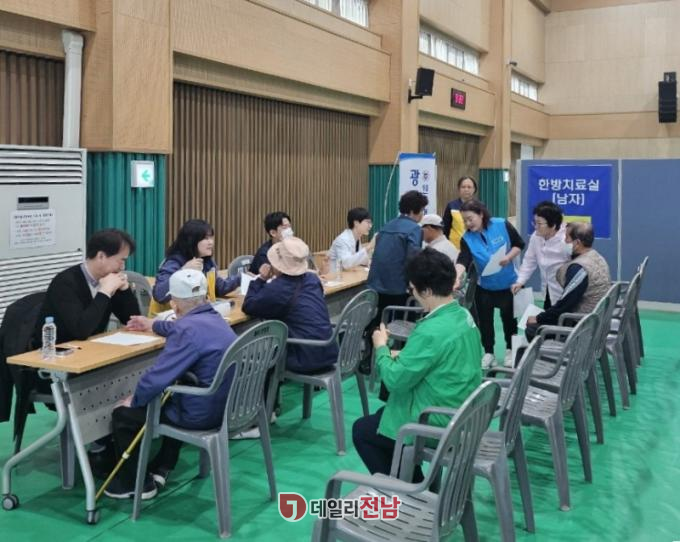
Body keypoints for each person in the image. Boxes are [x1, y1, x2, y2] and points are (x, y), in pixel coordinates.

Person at [107, 269, 237, 499]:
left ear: (174, 306)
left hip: (199, 415)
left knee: (124, 415)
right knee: (173, 398)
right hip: (226, 407)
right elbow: (183, 328)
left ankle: (135, 484)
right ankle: (163, 465)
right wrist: (153, 324)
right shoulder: (216, 319)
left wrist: (134, 400)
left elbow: (157, 378)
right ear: (205, 297)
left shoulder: (187, 331)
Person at [352, 248, 482, 476]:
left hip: (437, 419)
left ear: (427, 291)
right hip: (463, 409)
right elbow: (439, 358)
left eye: (412, 288)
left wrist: (381, 347)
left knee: (363, 430)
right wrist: (400, 355)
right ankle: (408, 478)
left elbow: (394, 381)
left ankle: (407, 487)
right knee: (381, 416)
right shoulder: (463, 315)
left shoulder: (430, 330)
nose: (412, 293)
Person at [243, 236, 338, 374]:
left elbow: (249, 305)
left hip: (304, 357)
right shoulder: (312, 279)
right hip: (328, 350)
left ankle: (269, 388)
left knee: (261, 357)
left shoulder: (279, 288)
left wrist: (261, 279)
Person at [33, 228, 140, 345]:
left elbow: (133, 321)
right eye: (121, 260)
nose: (123, 267)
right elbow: (80, 331)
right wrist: (104, 292)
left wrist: (125, 289)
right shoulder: (65, 283)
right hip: (58, 350)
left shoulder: (109, 277)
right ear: (101, 256)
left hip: (92, 347)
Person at [456, 200, 525, 369]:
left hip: (508, 284)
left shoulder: (501, 224)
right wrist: (456, 276)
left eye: (470, 218)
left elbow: (519, 244)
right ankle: (489, 353)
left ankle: (510, 350)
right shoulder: (467, 238)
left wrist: (508, 257)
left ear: (481, 214)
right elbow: (463, 259)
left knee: (509, 320)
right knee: (485, 322)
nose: (468, 223)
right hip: (485, 286)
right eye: (464, 220)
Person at [525, 222, 611, 340]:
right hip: (597, 320)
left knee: (532, 329)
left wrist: (538, 318)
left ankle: (554, 351)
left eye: (567, 238)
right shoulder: (597, 257)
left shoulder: (579, 268)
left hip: (582, 327)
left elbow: (564, 305)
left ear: (577, 243)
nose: (564, 241)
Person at [150, 219, 239, 316]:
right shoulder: (174, 262)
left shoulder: (207, 261)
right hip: (168, 317)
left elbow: (219, 288)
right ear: (192, 241)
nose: (211, 242)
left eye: (211, 238)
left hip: (194, 315)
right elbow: (159, 295)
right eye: (205, 238)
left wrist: (242, 277)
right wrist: (183, 270)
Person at [367, 190, 428, 320]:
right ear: (413, 211)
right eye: (422, 210)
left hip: (376, 284)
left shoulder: (387, 226)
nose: (422, 214)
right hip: (398, 287)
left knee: (381, 320)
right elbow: (413, 258)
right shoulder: (414, 228)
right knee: (405, 321)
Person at [511, 201, 571, 310]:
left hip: (565, 292)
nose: (535, 227)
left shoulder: (566, 240)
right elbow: (529, 261)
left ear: (553, 225)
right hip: (548, 288)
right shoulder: (536, 237)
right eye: (534, 222)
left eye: (539, 224)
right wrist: (520, 281)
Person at [442, 175, 478, 249]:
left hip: (475, 247)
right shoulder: (451, 206)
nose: (466, 189)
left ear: (474, 189)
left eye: (469, 187)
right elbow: (445, 228)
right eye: (463, 187)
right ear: (459, 189)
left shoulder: (479, 206)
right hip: (455, 247)